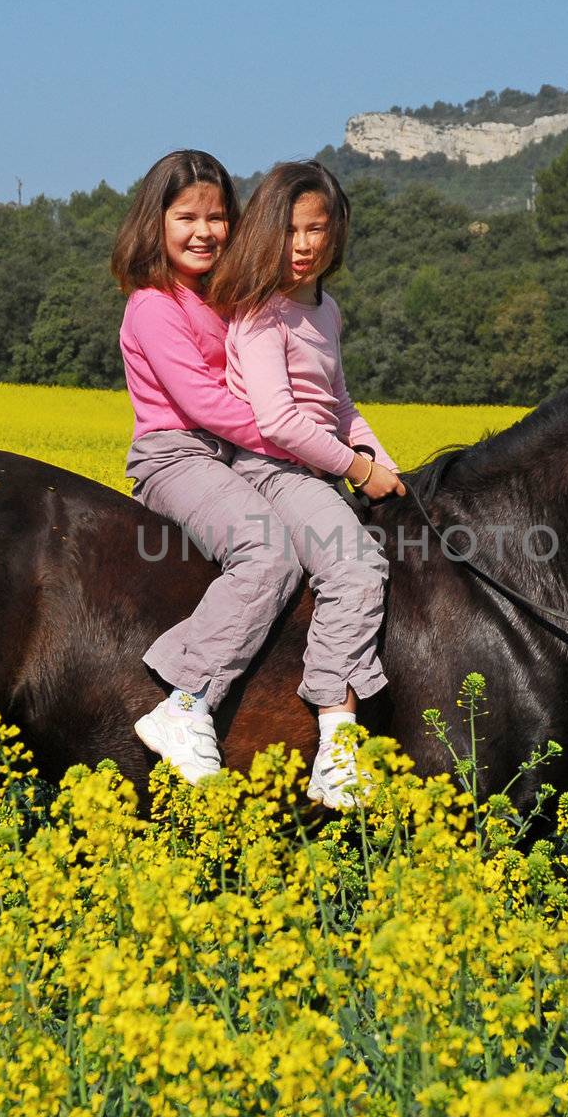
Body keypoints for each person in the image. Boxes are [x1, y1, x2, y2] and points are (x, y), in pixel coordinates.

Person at [209, 160, 406, 808]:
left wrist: (376, 453)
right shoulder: (261, 312)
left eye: (315, 229)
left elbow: (338, 403)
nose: (302, 245)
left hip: (313, 469)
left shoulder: (325, 311)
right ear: (269, 231)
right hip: (266, 469)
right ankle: (336, 750)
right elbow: (280, 421)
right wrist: (356, 469)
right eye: (290, 230)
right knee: (354, 570)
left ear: (336, 232)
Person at [113, 149, 307, 785]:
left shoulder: (225, 301)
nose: (204, 232)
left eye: (218, 217)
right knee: (267, 551)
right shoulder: (152, 304)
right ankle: (186, 701)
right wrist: (295, 443)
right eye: (186, 216)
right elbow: (203, 403)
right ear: (155, 223)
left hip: (236, 457)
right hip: (176, 456)